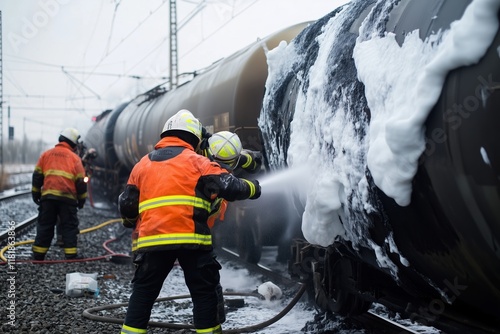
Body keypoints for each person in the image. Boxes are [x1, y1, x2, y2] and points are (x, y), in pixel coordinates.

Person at [118, 109, 261, 334]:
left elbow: (126, 205)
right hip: (192, 241)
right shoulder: (199, 162)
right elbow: (230, 186)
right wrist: (254, 188)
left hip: (152, 241)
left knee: (144, 293)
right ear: (195, 138)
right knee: (204, 294)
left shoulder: (142, 165)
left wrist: (129, 221)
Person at [31, 128, 87, 260]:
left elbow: (37, 176)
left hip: (48, 198)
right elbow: (81, 182)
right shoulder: (75, 159)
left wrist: (36, 194)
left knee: (45, 225)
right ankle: (70, 254)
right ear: (73, 143)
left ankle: (39, 254)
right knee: (69, 226)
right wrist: (81, 200)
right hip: (68, 199)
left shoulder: (46, 155)